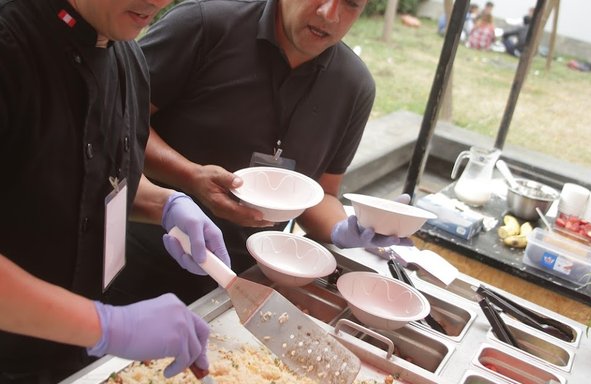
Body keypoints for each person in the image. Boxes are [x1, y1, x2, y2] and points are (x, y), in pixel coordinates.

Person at [108, 0, 411, 306]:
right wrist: (189, 176)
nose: (330, 14)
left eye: (351, 3)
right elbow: (113, 122)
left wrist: (347, 229)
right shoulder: (203, 25)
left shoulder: (354, 86)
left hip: (242, 282)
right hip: (135, 266)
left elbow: (323, 194)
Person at [0, 0, 231, 382]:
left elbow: (98, 173)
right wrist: (109, 325)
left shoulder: (129, 57)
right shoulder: (11, 49)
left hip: (73, 354)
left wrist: (166, 204)